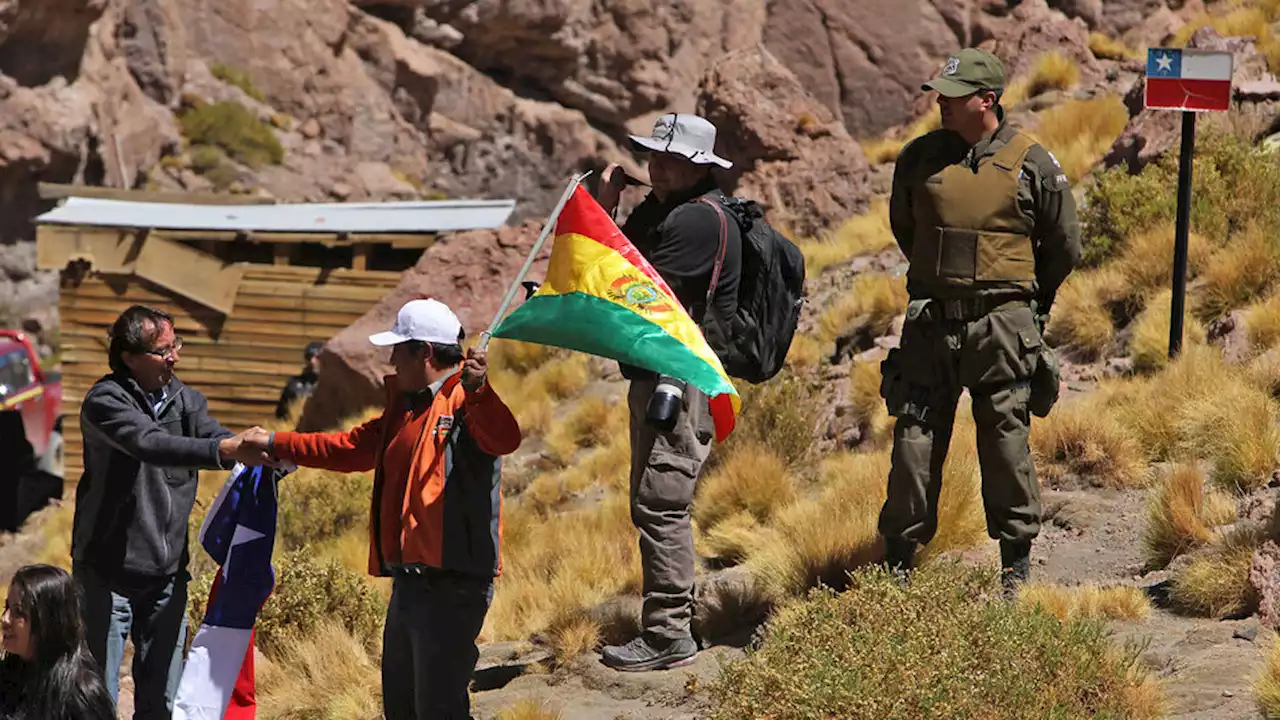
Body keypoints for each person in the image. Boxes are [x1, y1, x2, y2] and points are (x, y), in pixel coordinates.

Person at [241, 298, 521, 720]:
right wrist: (275, 444)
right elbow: (349, 447)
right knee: (402, 708)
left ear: (424, 352)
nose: (390, 359)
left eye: (398, 349)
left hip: (452, 586)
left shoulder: (465, 402)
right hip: (410, 586)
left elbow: (504, 438)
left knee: (438, 709)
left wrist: (480, 392)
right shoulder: (406, 409)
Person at [877, 49, 1081, 592]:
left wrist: (1029, 309)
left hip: (1001, 329)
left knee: (1005, 444)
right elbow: (907, 230)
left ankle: (1015, 570)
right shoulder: (918, 159)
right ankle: (898, 568)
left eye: (953, 94)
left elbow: (1063, 245)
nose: (940, 102)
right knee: (914, 441)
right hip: (931, 327)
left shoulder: (1032, 161)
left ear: (986, 100)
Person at [593, 113, 743, 671]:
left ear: (698, 166)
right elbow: (614, 260)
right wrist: (608, 208)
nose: (654, 167)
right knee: (655, 503)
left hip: (682, 382)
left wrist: (605, 214)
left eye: (669, 160)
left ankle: (668, 635)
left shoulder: (696, 224)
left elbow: (625, 288)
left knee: (661, 503)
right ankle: (675, 617)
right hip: (659, 378)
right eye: (653, 157)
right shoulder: (664, 212)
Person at [71, 305, 271, 718]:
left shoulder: (186, 401)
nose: (174, 357)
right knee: (98, 699)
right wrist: (224, 450)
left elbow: (216, 437)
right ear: (129, 357)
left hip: (166, 575)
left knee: (163, 700)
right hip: (107, 574)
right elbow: (151, 445)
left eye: (175, 345)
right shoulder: (105, 402)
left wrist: (266, 453)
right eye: (163, 351)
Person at [0, 564, 116, 720]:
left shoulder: (82, 696)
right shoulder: (7, 675)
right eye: (6, 607)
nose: (5, 619)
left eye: (18, 612)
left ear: (48, 622)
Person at [274, 340, 324, 420]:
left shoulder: (335, 386)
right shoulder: (295, 385)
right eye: (309, 357)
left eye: (318, 357)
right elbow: (281, 415)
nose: (312, 361)